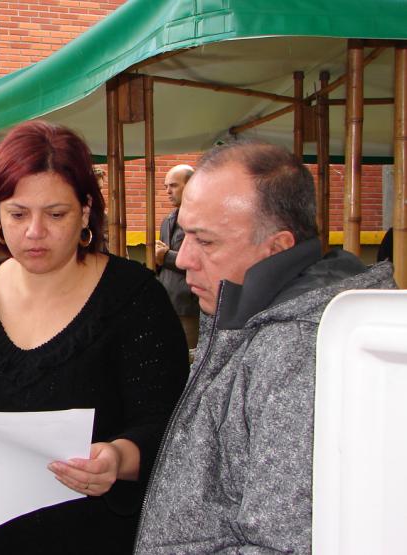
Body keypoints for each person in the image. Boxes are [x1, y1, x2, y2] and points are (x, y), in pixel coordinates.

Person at [0, 120, 190, 554]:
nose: (34, 232)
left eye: (56, 214)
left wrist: (119, 458)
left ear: (86, 211)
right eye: (17, 214)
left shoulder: (134, 298)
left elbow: (169, 426)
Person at [134, 141, 398, 553]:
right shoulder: (250, 314)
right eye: (183, 235)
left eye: (206, 241)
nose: (182, 258)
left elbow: (284, 544)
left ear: (277, 248)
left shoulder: (297, 352)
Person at [155, 164, 200, 349]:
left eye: (173, 185)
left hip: (189, 304)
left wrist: (166, 256)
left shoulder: (200, 218)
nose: (167, 191)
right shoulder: (168, 220)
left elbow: (199, 259)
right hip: (167, 301)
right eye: (166, 186)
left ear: (189, 185)